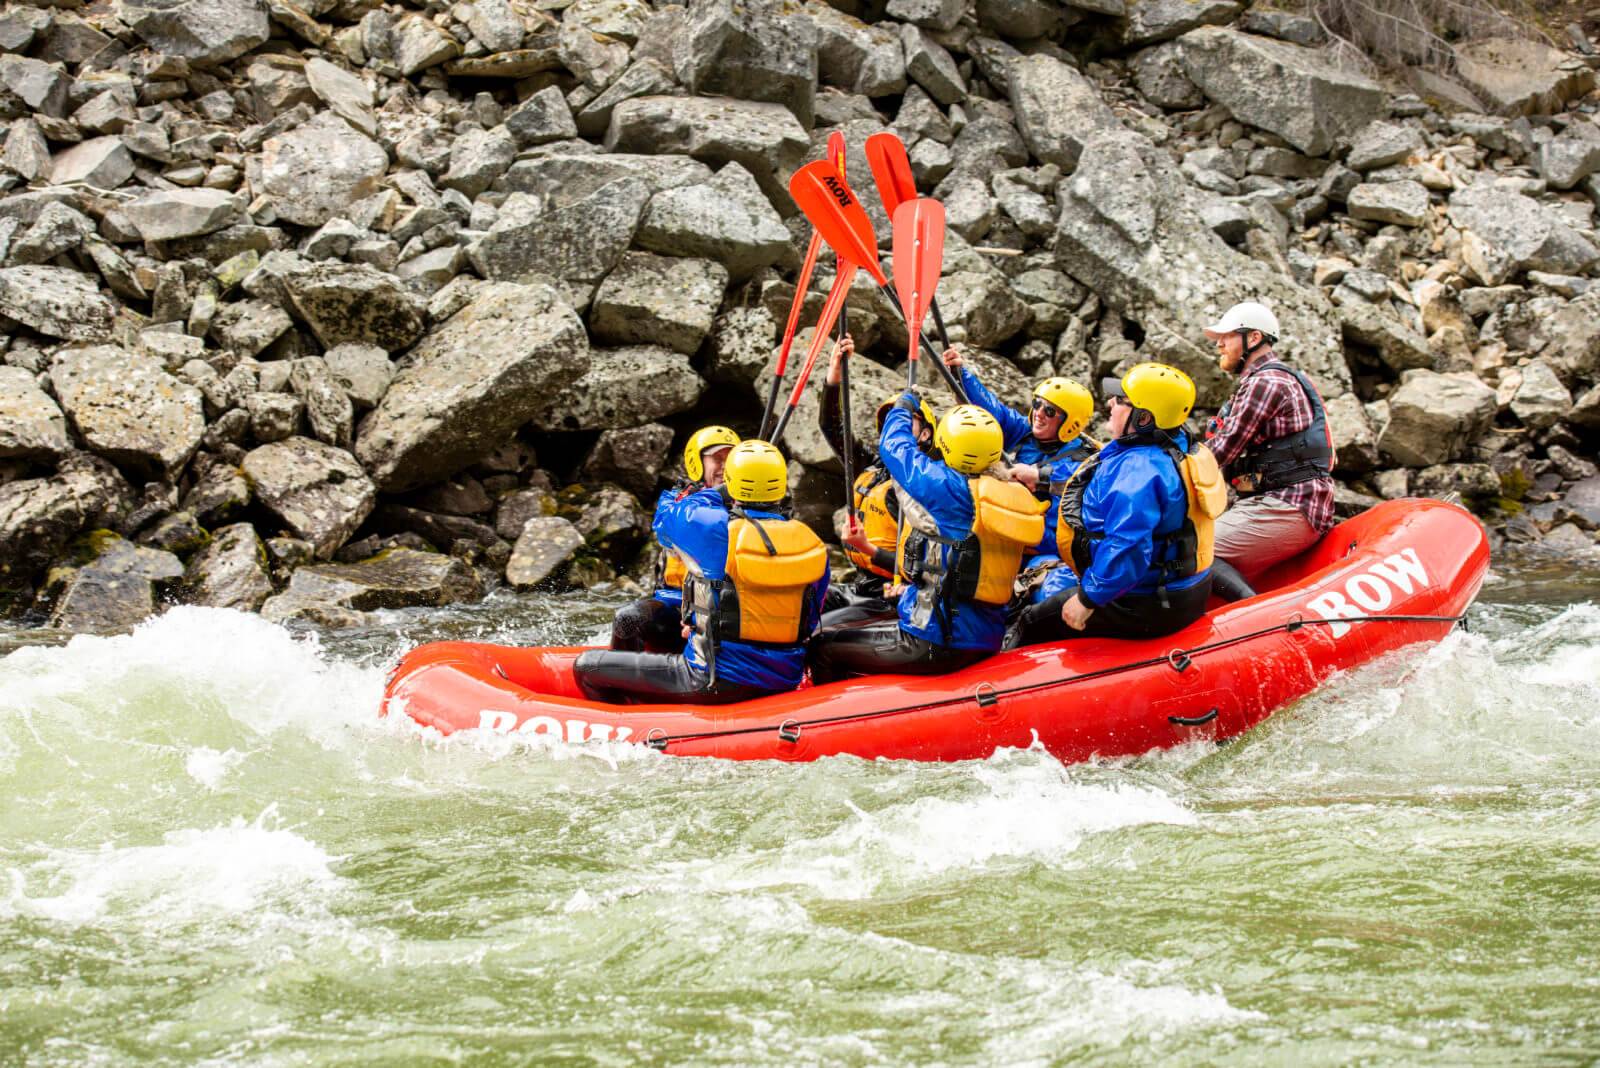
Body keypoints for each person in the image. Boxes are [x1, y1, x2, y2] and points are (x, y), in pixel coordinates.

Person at [807, 401, 1046, 683]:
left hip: (935, 641)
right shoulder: (1013, 494)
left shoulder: (946, 489)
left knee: (823, 646)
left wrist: (903, 406)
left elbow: (895, 448)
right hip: (986, 636)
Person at [575, 441, 829, 704]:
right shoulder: (810, 541)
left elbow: (665, 515)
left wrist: (720, 492)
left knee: (587, 666)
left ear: (732, 481)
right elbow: (810, 618)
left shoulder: (716, 532)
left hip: (713, 680)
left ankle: (637, 721)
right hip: (785, 678)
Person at [1010, 363, 1223, 646]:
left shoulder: (1140, 471)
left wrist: (1087, 599)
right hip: (1177, 590)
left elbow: (1129, 547)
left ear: (1144, 418)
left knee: (1031, 619)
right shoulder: (1179, 444)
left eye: (1120, 400)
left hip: (1144, 602)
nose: (1110, 403)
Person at [1202, 301, 1336, 589]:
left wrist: (1170, 472)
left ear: (1253, 338)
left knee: (1192, 552)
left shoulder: (1267, 383)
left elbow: (1219, 453)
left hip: (1288, 505)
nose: (1220, 345)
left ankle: (1254, 620)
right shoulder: (1260, 382)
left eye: (1227, 337)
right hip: (1274, 501)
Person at [941, 347, 1095, 576]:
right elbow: (993, 412)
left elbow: (1078, 479)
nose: (1040, 413)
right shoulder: (1025, 432)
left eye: (1050, 411)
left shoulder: (1085, 459)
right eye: (1037, 404)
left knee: (1049, 584)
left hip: (1048, 546)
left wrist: (1039, 478)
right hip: (1009, 533)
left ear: (1071, 422)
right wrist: (961, 375)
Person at [818, 333, 937, 627]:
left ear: (925, 435)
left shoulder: (920, 485)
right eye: (886, 424)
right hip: (859, 586)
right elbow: (831, 426)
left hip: (891, 596)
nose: (890, 429)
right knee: (796, 604)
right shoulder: (872, 467)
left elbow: (927, 568)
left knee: (819, 629)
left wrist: (869, 550)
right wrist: (834, 374)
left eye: (902, 423)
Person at [608, 426, 738, 654]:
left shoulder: (746, 505)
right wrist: (718, 496)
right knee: (627, 618)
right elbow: (666, 529)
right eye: (717, 459)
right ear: (697, 463)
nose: (725, 465)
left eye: (731, 458)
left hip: (722, 609)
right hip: (674, 605)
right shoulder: (676, 501)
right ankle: (620, 680)